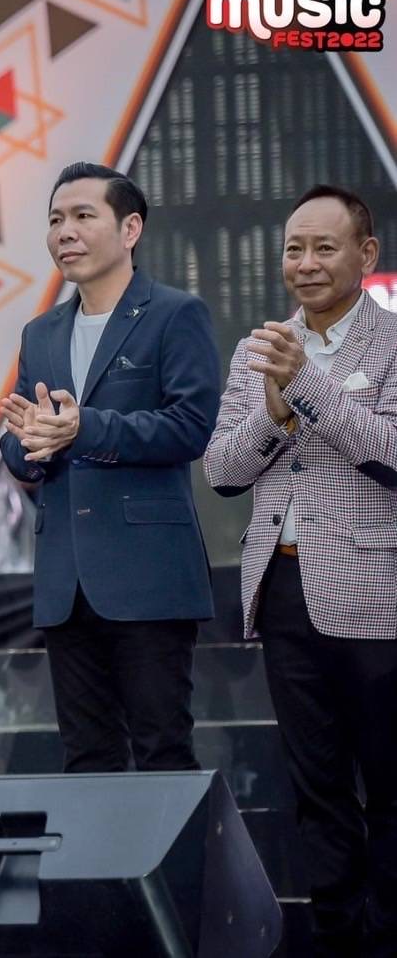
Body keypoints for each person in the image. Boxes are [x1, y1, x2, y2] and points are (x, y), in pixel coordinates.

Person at [203, 184, 397, 957]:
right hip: (283, 593)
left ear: (365, 254)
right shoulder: (260, 349)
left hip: (377, 596)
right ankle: (338, 939)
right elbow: (222, 471)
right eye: (294, 248)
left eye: (324, 247)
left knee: (389, 791)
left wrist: (306, 387)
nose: (305, 263)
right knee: (317, 793)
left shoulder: (391, 343)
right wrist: (275, 411)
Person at [0, 162, 219, 773]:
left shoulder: (175, 314)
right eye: (55, 220)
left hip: (149, 577)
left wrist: (83, 428)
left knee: (162, 751)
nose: (64, 232)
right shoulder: (41, 332)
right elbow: (19, 447)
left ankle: (174, 848)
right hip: (65, 583)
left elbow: (191, 427)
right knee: (87, 758)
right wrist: (31, 443)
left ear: (130, 229)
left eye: (82, 216)